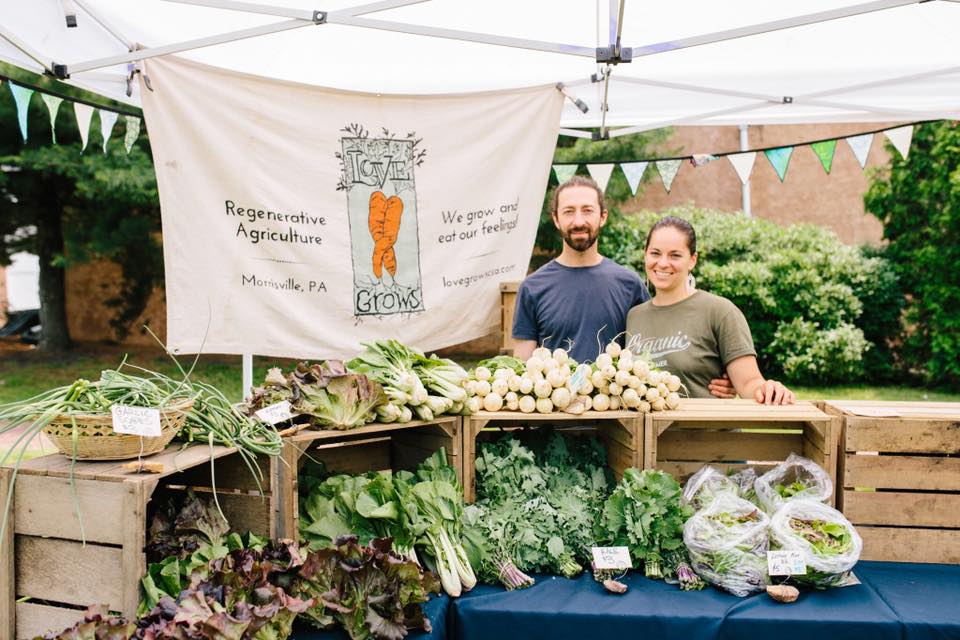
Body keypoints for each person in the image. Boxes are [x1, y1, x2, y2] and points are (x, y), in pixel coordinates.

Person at [625, 215, 795, 404]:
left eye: (675, 255)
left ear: (692, 260)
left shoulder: (720, 311)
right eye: (655, 253)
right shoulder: (634, 316)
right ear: (645, 255)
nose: (663, 263)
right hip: (647, 433)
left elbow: (749, 383)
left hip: (708, 432)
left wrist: (769, 389)